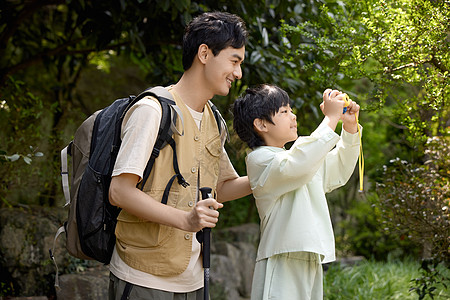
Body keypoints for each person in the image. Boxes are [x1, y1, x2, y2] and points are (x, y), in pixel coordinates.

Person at [108, 12, 252, 300]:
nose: (238, 73)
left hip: (194, 279)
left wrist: (280, 171)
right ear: (204, 53)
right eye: (234, 61)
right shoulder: (153, 110)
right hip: (143, 278)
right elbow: (120, 191)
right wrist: (186, 220)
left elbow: (221, 188)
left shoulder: (214, 119)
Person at [232, 84, 362, 300]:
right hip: (281, 258)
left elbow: (338, 168)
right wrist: (330, 118)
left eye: (291, 110)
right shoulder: (260, 160)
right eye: (284, 111)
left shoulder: (299, 159)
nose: (293, 116)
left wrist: (348, 127)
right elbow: (298, 163)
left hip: (309, 256)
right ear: (261, 124)